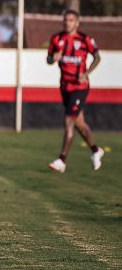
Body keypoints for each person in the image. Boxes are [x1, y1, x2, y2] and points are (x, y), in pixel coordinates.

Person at [47, 9, 104, 172]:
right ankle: (95, 150)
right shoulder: (56, 39)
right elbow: (48, 59)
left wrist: (86, 74)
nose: (67, 23)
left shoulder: (85, 39)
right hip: (65, 86)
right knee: (79, 123)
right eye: (65, 20)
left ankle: (62, 160)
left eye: (71, 20)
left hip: (80, 87)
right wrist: (53, 58)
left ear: (77, 22)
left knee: (69, 120)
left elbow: (98, 57)